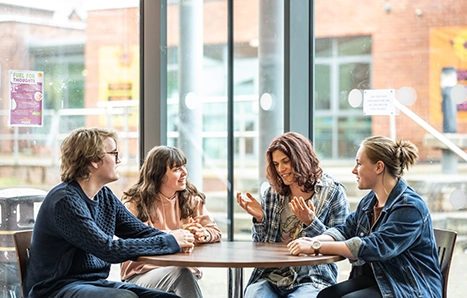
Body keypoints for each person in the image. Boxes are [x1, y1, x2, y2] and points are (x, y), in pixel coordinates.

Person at [24, 127, 195, 298]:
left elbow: (139, 231)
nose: (119, 160)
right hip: (55, 289)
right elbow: (108, 249)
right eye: (114, 153)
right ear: (93, 160)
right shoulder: (65, 201)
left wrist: (181, 238)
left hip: (93, 284)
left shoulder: (104, 195)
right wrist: (170, 241)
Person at [288, 135, 443, 298]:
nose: (354, 170)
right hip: (379, 279)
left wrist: (317, 245)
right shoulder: (370, 201)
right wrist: (311, 241)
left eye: (359, 163)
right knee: (326, 296)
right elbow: (346, 230)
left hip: (409, 287)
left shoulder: (410, 207)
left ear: (379, 167)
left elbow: (375, 247)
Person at [236, 132, 350, 298]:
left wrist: (311, 223)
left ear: (300, 159)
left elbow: (342, 241)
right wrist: (260, 219)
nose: (280, 169)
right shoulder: (272, 194)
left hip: (312, 277)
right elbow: (260, 247)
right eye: (276, 164)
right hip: (270, 277)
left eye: (285, 162)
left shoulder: (333, 192)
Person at [121, 146, 222, 298]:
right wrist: (176, 236)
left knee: (182, 273)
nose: (185, 173)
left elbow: (215, 231)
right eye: (176, 169)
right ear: (158, 174)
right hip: (141, 273)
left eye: (184, 167)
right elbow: (132, 239)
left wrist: (204, 234)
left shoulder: (191, 199)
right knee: (181, 273)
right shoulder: (136, 203)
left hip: (184, 273)